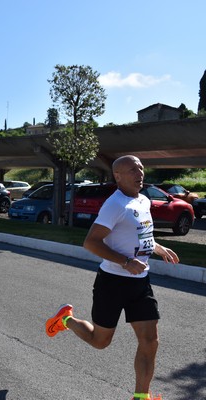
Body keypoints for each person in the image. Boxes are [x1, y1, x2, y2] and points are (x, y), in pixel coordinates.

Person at [45, 155, 178, 400]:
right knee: (100, 341)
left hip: (141, 282)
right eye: (132, 170)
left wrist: (157, 247)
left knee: (150, 341)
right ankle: (67, 320)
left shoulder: (144, 201)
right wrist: (126, 262)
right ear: (117, 176)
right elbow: (91, 243)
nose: (139, 173)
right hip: (113, 283)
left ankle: (141, 397)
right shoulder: (114, 205)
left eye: (140, 167)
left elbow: (140, 235)